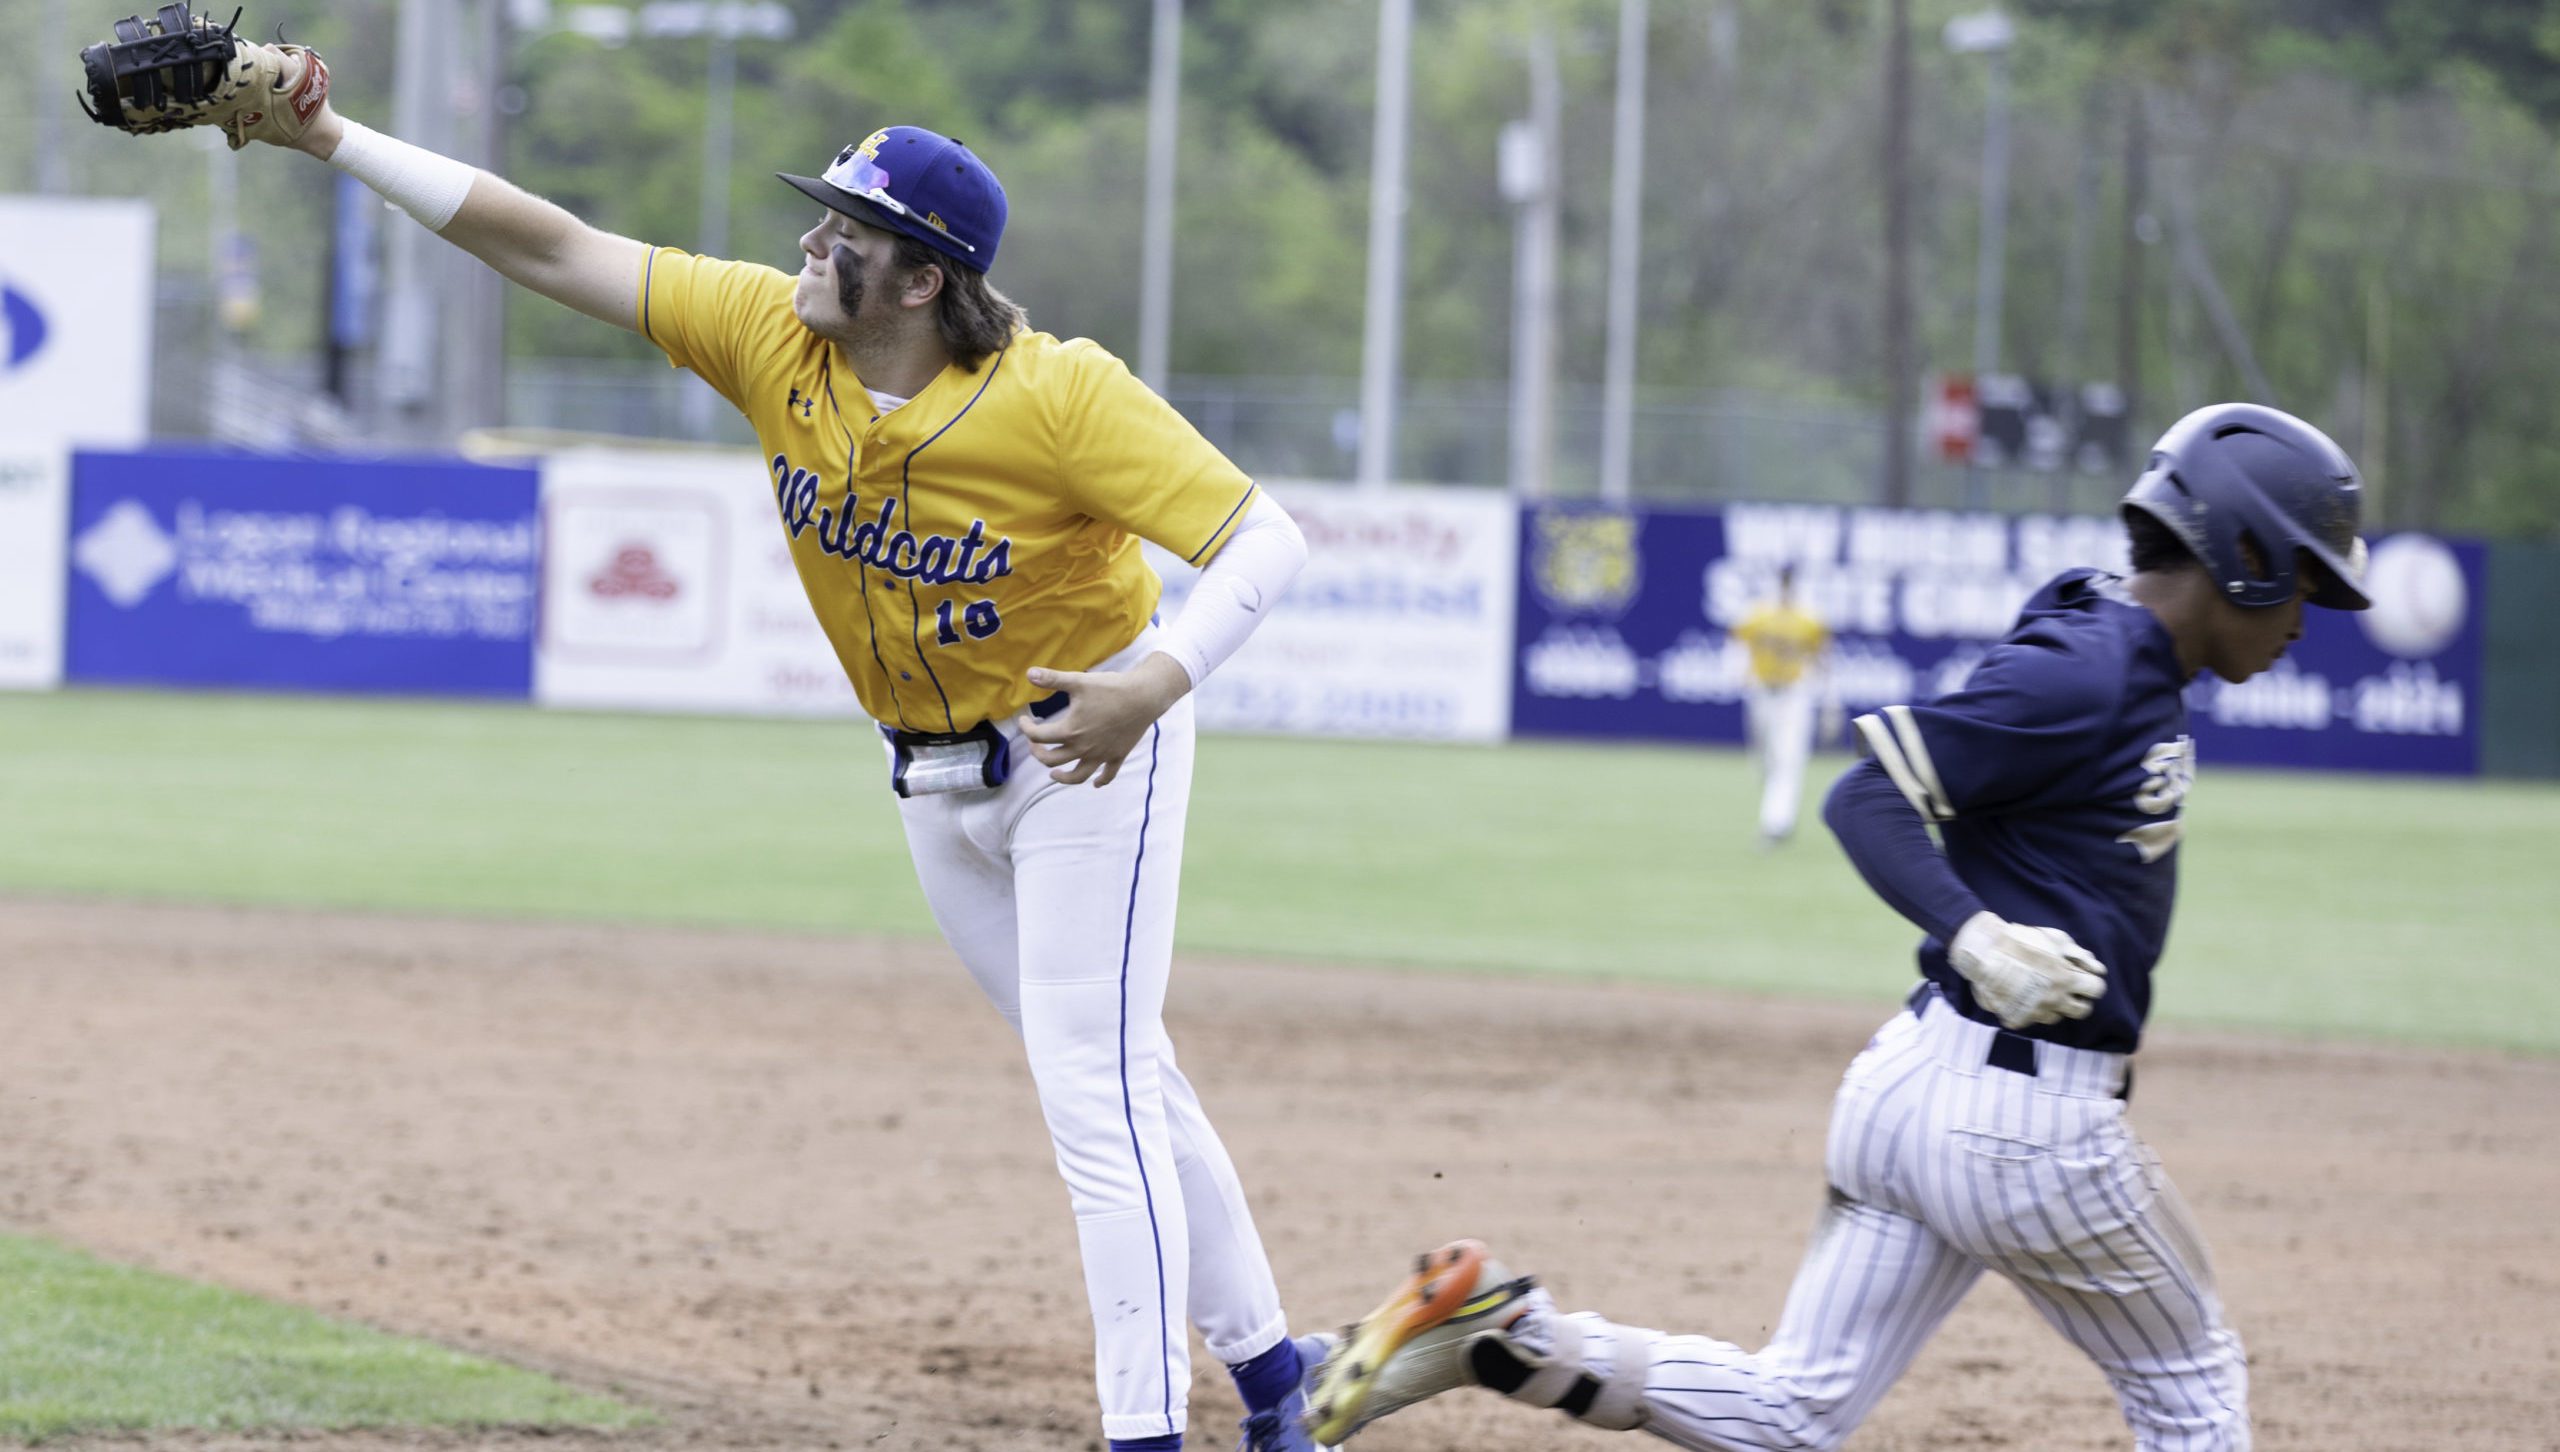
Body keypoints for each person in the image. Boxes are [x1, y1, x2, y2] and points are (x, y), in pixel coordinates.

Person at [138, 36, 1333, 1452]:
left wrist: (1159, 679)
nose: (813, 241)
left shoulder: (1060, 397)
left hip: (1089, 758)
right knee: (1125, 1079)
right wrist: (334, 141)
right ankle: (1273, 1378)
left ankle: (1148, 1433)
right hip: (928, 777)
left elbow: (1269, 536)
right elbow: (555, 245)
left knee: (1095, 1097)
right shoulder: (778, 333)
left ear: (924, 280)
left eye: (851, 229)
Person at [1302, 403, 2373, 1452]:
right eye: (2305, 585)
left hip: (1908, 1094)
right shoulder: (2089, 672)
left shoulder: (2113, 649)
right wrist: (1977, 936)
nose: (2301, 624)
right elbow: (1864, 797)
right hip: (2025, 1128)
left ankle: (1506, 1331)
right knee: (2188, 1376)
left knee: (1793, 1411)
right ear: (2242, 553)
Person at [1730, 564, 1833, 846]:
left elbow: (1823, 660)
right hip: (1762, 691)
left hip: (1794, 693)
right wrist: (1741, 676)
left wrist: (1828, 702)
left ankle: (1776, 823)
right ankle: (1775, 811)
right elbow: (1738, 647)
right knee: (1764, 759)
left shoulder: (1809, 617)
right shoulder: (1758, 614)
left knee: (1788, 760)